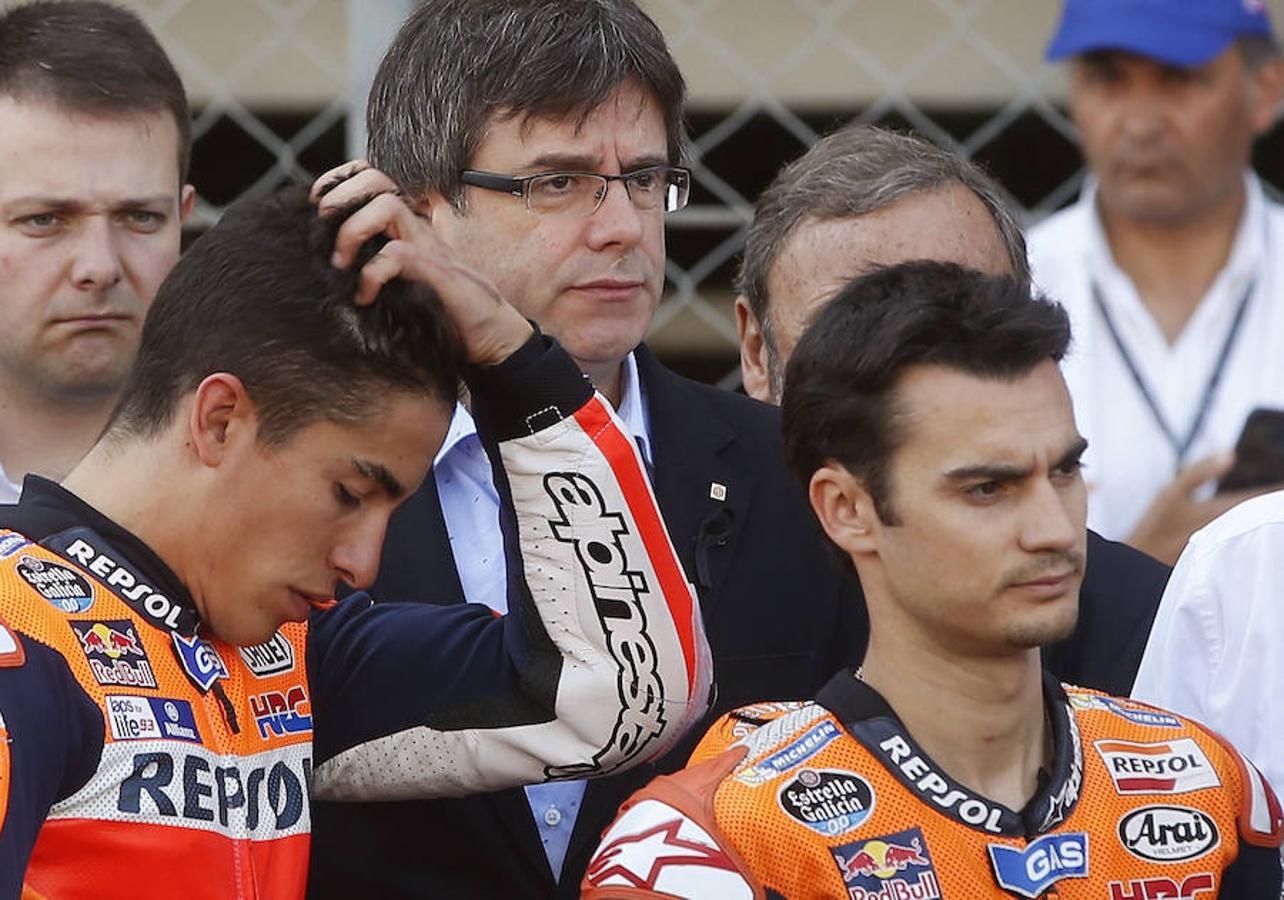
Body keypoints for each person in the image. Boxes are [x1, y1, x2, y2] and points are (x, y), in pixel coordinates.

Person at [0, 184, 711, 898]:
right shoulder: (20, 633)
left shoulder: (295, 658)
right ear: (220, 419)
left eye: (390, 510)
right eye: (348, 494)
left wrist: (514, 358)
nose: (362, 562)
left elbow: (627, 695)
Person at [305, 3, 864, 896]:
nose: (622, 227)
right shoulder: (305, 485)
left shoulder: (798, 475)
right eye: (557, 183)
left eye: (643, 178)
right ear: (417, 210)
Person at [582, 261, 1283, 899]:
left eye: (1064, 471)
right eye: (987, 488)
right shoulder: (719, 842)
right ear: (846, 509)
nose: (1054, 529)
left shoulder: (1206, 787)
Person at [735, 125, 1169, 696]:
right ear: (756, 353)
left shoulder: (1152, 631)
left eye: (963, 318)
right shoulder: (678, 603)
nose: (918, 376)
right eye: (849, 327)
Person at [1027, 0, 1284, 564]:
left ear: (1263, 90)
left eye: (1180, 79)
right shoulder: (1009, 284)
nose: (1141, 123)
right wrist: (1146, 571)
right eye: (1106, 78)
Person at [0, 0, 195, 502]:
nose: (100, 267)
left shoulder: (272, 469)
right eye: (45, 220)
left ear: (183, 217)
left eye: (140, 217)